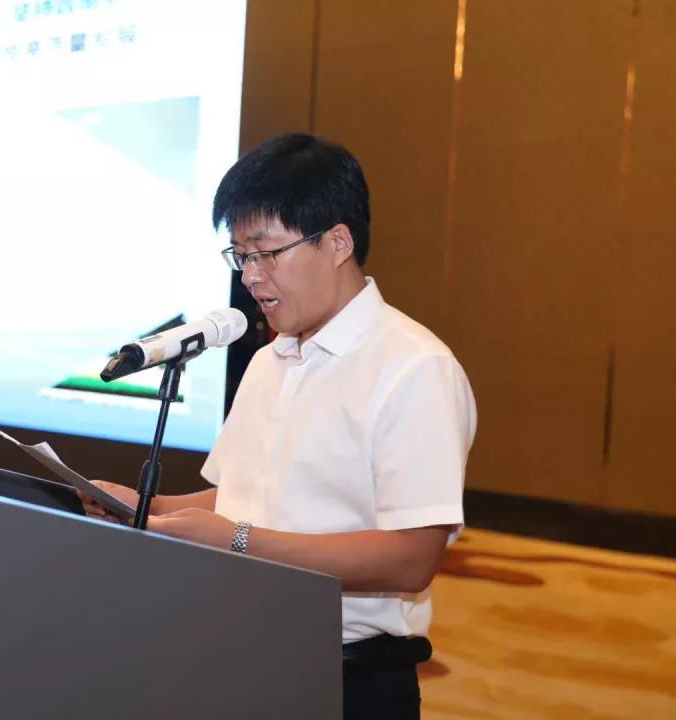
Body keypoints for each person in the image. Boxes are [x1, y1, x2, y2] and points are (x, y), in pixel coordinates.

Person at [81, 133, 477, 720]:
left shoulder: (414, 367)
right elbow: (249, 495)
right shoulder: (270, 360)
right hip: (241, 654)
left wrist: (238, 542)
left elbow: (412, 557)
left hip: (346, 679)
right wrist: (147, 508)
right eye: (240, 256)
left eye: (266, 252)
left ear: (337, 242)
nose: (250, 276)